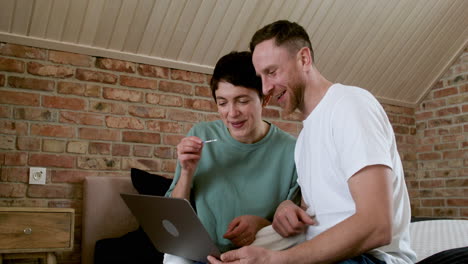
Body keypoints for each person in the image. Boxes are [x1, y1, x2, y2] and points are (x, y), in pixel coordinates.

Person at [208, 20, 417, 264]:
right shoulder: (305, 138)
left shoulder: (349, 106)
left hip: (372, 258)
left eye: (272, 72)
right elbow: (316, 213)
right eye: (260, 77)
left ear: (304, 59)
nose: (265, 88)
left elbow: (377, 225)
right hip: (328, 253)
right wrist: (286, 208)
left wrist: (279, 260)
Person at [164, 51, 301, 264]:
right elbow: (173, 218)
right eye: (222, 103)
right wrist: (187, 172)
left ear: (264, 99)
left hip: (256, 256)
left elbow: (294, 228)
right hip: (199, 254)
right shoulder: (201, 134)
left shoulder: (292, 151)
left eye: (242, 101)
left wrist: (261, 224)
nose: (232, 113)